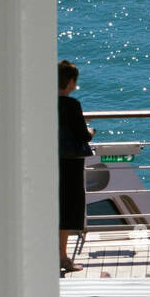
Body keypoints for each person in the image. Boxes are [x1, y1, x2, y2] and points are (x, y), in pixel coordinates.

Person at [58, 60, 94, 273]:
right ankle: (62, 257)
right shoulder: (72, 105)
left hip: (46, 160)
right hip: (69, 163)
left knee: (52, 207)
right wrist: (91, 131)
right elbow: (83, 135)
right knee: (66, 209)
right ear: (71, 81)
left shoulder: (43, 103)